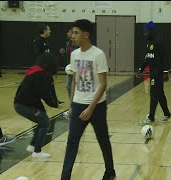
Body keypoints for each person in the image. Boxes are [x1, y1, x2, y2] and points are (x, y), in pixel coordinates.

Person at [61, 19, 116, 180]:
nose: (73, 35)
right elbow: (75, 81)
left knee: (103, 139)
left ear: (86, 34)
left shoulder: (98, 54)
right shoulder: (74, 55)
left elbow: (103, 84)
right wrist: (72, 105)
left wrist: (91, 108)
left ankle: (110, 172)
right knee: (72, 142)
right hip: (78, 104)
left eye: (76, 32)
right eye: (72, 32)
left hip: (97, 106)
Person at [14, 53, 59, 158]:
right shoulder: (41, 75)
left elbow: (36, 94)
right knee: (45, 122)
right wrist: (53, 104)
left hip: (23, 103)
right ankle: (37, 152)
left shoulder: (36, 71)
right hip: (24, 105)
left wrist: (45, 108)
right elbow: (45, 94)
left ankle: (32, 145)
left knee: (42, 120)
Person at [138, 21, 171, 125]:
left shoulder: (158, 41)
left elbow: (165, 57)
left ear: (151, 31)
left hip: (158, 72)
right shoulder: (149, 43)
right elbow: (147, 58)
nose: (144, 34)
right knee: (160, 93)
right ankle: (167, 114)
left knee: (154, 94)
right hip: (152, 72)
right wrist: (141, 69)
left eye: (145, 32)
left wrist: (165, 71)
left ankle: (151, 117)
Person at [33, 23, 64, 105]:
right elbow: (37, 55)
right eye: (48, 29)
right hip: (42, 68)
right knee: (44, 86)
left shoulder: (45, 40)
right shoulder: (38, 40)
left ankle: (55, 100)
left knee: (51, 84)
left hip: (47, 67)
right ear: (44, 30)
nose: (50, 31)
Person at [60, 27, 79, 99]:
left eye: (69, 32)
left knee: (77, 87)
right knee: (68, 86)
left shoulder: (80, 44)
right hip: (71, 69)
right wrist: (64, 52)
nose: (67, 33)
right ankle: (72, 103)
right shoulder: (68, 43)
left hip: (79, 69)